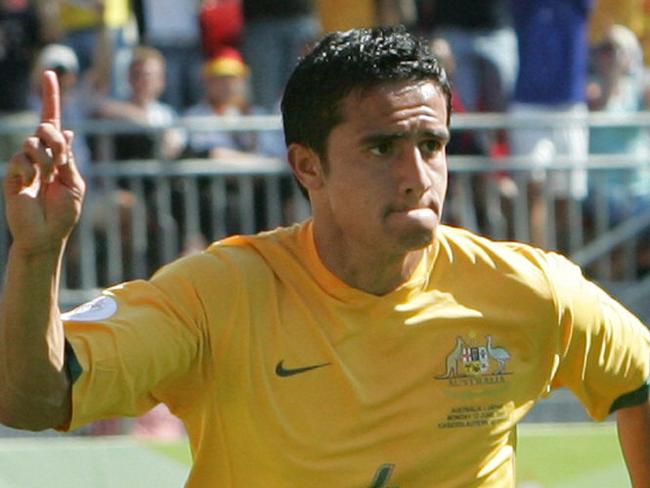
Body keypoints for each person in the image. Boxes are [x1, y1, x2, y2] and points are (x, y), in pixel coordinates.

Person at [0, 27, 648, 487]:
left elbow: (639, 380)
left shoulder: (527, 289)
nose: (417, 174)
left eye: (432, 143)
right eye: (381, 148)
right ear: (308, 166)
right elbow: (30, 400)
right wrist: (37, 253)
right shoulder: (217, 295)